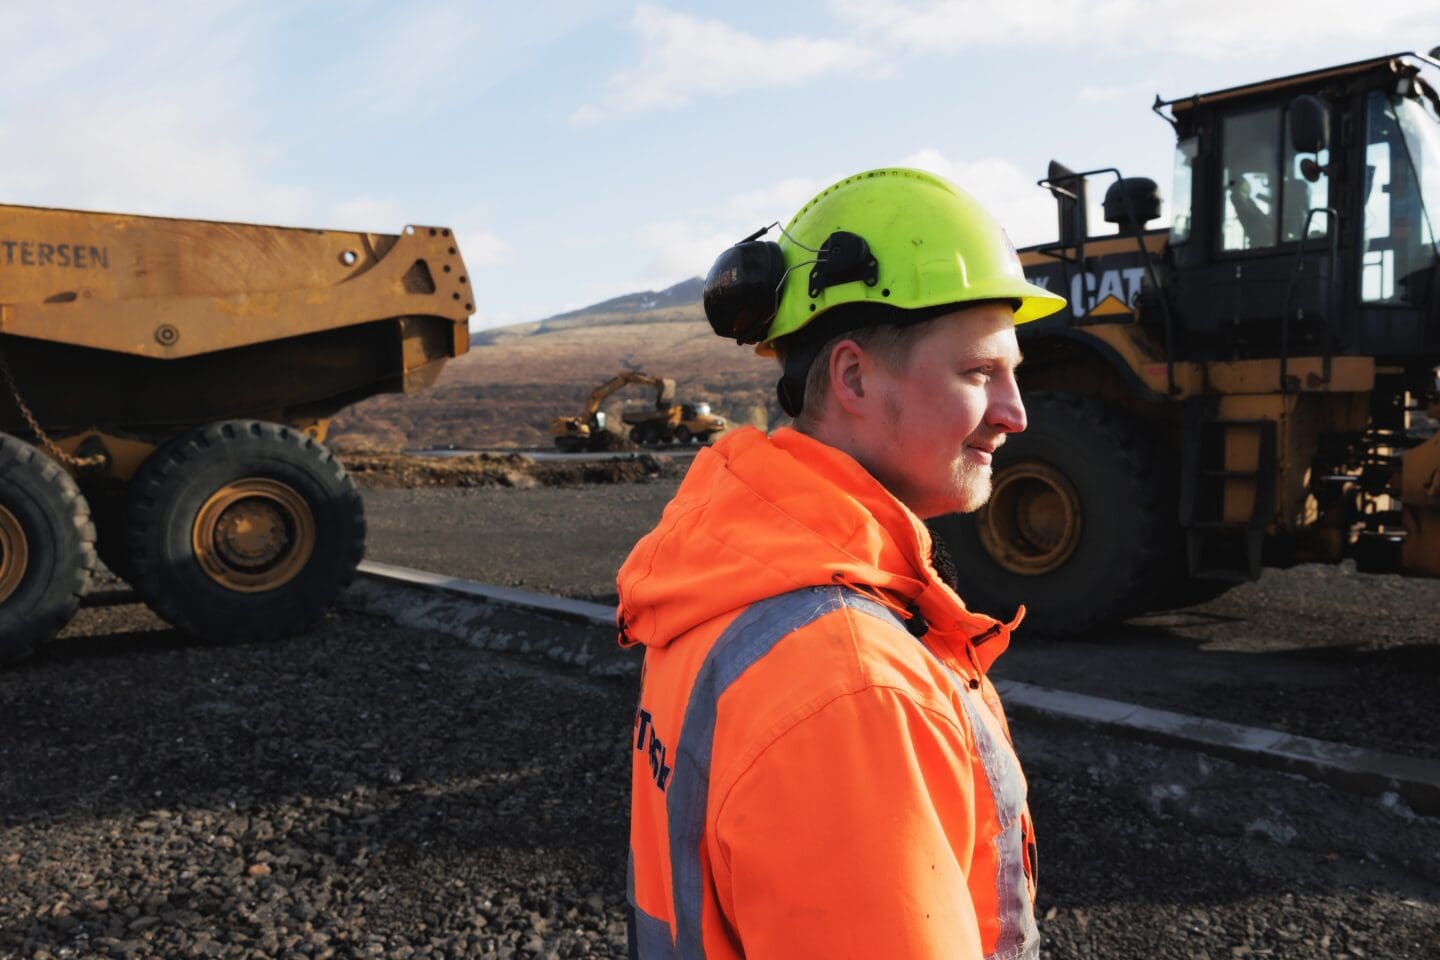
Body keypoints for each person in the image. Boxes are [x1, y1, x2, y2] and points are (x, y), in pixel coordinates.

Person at [617, 168, 1066, 959]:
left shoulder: (725, 578)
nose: (1015, 413)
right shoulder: (853, 686)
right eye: (979, 372)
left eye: (1014, 374)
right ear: (853, 376)